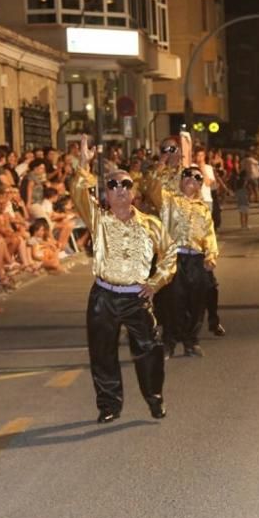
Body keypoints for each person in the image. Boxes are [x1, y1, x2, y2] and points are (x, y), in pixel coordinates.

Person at [71, 135, 177, 424]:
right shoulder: (99, 221)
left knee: (149, 350)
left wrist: (155, 283)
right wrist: (84, 163)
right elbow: (79, 191)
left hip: (136, 297)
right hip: (103, 296)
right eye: (113, 185)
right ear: (105, 193)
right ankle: (109, 405)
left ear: (134, 192)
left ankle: (154, 398)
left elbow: (169, 255)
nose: (119, 190)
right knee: (102, 352)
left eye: (125, 185)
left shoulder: (151, 224)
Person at [145, 135, 221, 357]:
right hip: (172, 254)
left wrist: (211, 256)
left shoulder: (203, 208)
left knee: (201, 296)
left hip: (196, 258)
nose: (191, 179)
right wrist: (162, 162)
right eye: (187, 176)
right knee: (172, 299)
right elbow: (150, 188)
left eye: (196, 178)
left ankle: (193, 339)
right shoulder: (169, 200)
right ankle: (169, 339)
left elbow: (209, 234)